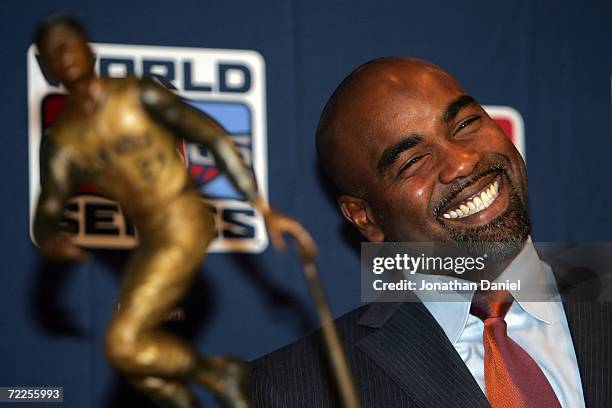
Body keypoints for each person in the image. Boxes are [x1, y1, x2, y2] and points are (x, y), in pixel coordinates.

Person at [249, 57, 611, 407]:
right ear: (365, 218)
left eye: (466, 124)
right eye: (412, 162)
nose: (462, 161)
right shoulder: (296, 391)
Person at [32, 14, 316, 408]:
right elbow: (48, 207)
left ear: (89, 50)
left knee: (120, 342)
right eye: (52, 52)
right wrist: (50, 239)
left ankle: (217, 373)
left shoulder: (137, 93)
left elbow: (211, 136)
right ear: (46, 67)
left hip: (183, 216)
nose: (63, 54)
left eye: (68, 43)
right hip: (149, 239)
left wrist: (262, 208)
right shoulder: (63, 143)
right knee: (136, 357)